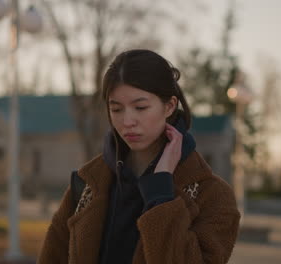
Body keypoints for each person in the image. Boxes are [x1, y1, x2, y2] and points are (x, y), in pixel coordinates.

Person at [38, 49, 240, 264]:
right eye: (116, 109)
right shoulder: (86, 184)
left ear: (170, 106)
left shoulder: (212, 196)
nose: (127, 121)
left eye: (140, 107)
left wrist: (161, 193)